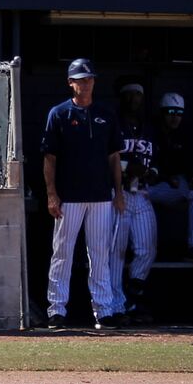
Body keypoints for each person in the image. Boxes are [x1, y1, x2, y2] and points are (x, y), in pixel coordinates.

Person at [40, 59, 125, 329]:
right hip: (69, 197)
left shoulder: (106, 114)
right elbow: (49, 158)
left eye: (89, 79)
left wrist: (118, 192)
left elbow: (114, 158)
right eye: (80, 79)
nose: (85, 84)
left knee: (100, 253)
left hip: (101, 196)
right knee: (62, 252)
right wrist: (51, 194)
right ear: (70, 82)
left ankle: (104, 311)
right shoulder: (59, 113)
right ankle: (57, 310)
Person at [109, 79, 156, 323]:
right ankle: (116, 304)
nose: (133, 100)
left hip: (143, 193)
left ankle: (133, 297)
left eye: (137, 96)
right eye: (129, 96)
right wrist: (128, 166)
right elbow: (105, 158)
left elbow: (158, 161)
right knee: (116, 251)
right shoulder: (113, 123)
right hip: (119, 192)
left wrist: (150, 171)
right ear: (122, 98)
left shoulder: (148, 127)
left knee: (147, 249)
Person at [146, 92, 193, 261]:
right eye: (170, 112)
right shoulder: (150, 130)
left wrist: (192, 177)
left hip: (170, 187)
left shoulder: (185, 134)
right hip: (149, 186)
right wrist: (165, 177)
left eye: (179, 113)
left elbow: (190, 162)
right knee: (136, 193)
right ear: (162, 112)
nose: (175, 117)